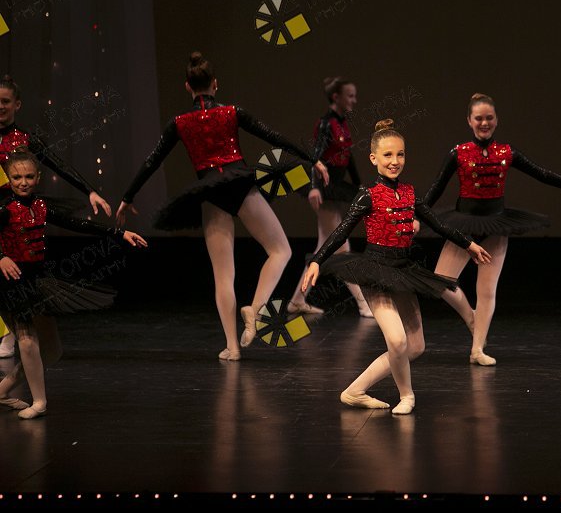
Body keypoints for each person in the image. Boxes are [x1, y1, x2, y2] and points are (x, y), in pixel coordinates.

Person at [116, 52, 329, 361]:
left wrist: (127, 197)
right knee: (281, 250)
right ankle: (255, 308)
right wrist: (313, 159)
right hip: (240, 185)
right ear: (215, 84)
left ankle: (232, 346)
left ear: (187, 87)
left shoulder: (179, 123)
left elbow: (152, 161)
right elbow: (273, 136)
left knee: (223, 276)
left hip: (211, 194)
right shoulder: (232, 112)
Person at [302, 119, 491, 414]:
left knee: (416, 346)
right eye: (388, 155)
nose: (394, 161)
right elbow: (341, 231)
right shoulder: (368, 195)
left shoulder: (409, 193)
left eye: (400, 154)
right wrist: (317, 260)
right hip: (375, 272)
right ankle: (407, 396)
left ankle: (354, 390)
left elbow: (437, 224)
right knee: (397, 340)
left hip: (402, 271)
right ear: (373, 158)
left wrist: (468, 244)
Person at [423, 93, 561, 366]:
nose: (484, 123)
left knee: (487, 291)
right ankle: (471, 317)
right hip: (464, 225)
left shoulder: (507, 152)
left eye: (489, 118)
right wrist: (415, 215)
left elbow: (542, 173)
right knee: (440, 282)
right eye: (478, 118)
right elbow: (436, 188)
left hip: (495, 225)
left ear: (497, 120)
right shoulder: (458, 153)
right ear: (469, 120)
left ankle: (477, 349)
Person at [0, 148, 146, 419]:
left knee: (52, 350)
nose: (23, 182)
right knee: (27, 341)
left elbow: (76, 224)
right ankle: (39, 402)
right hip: (11, 282)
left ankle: (2, 390)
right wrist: (1, 257)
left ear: (38, 177)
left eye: (29, 176)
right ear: (8, 178)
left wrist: (119, 233)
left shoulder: (41, 206)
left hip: (37, 280)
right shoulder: (4, 209)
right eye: (17, 177)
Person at [0, 75, 112, 359]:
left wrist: (89, 190)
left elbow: (58, 164)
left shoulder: (25, 140)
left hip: (14, 212)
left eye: (5, 101)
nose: (0, 106)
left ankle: (12, 333)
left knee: (15, 271)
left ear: (17, 104)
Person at [287, 77, 371, 317]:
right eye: (350, 96)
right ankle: (363, 303)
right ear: (336, 97)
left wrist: (359, 185)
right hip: (324, 186)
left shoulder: (342, 124)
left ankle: (297, 300)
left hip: (335, 186)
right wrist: (315, 187)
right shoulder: (326, 124)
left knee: (330, 246)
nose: (354, 100)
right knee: (338, 248)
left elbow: (349, 157)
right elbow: (315, 156)